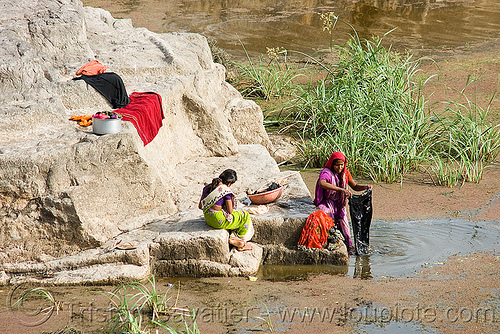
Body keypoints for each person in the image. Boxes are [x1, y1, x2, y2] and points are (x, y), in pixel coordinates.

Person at [314, 151, 372, 252]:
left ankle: (349, 248)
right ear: (332, 164)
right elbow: (322, 183)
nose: (339, 168)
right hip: (327, 203)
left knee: (346, 230)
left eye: (341, 165)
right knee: (329, 224)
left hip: (340, 205)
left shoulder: (345, 173)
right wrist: (340, 190)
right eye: (337, 165)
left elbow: (354, 186)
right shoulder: (326, 173)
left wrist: (364, 187)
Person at [199, 169, 254, 251]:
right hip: (217, 220)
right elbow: (230, 210)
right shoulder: (225, 191)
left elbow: (200, 206)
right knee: (244, 216)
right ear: (229, 183)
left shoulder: (207, 187)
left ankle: (235, 239)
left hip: (208, 218)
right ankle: (240, 241)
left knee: (234, 215)